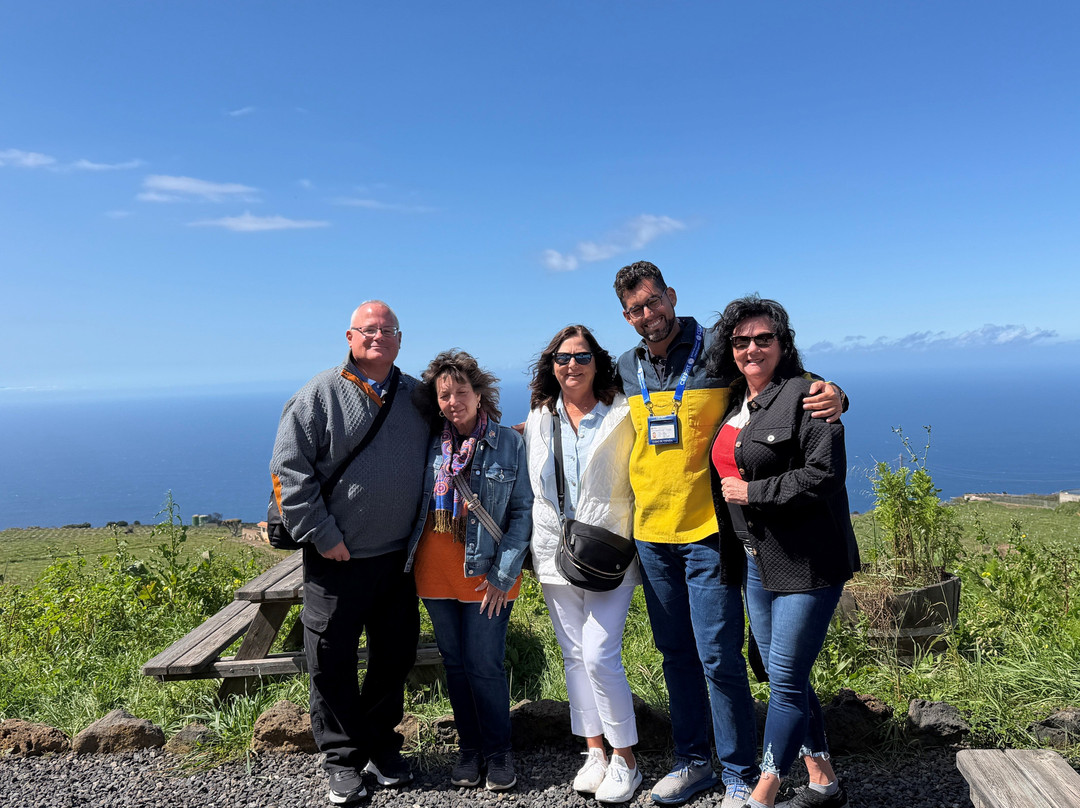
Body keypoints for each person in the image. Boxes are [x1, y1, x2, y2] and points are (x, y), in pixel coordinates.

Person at [612, 261, 846, 808]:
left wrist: (837, 394)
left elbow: (790, 382)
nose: (648, 315)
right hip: (651, 532)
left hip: (710, 533)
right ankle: (693, 762)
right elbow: (573, 390)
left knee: (720, 656)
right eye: (635, 310)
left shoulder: (720, 345)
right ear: (626, 317)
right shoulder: (624, 366)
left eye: (653, 302)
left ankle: (741, 773)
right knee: (675, 654)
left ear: (671, 295)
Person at [270, 301, 429, 806]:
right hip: (335, 559)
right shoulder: (319, 394)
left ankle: (381, 745)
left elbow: (456, 430)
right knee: (331, 660)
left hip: (398, 560)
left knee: (394, 656)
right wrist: (321, 533)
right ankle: (341, 760)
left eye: (388, 330)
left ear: (400, 340)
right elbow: (286, 469)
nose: (379, 336)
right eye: (369, 329)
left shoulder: (416, 396)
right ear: (350, 336)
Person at [707, 296, 859, 808]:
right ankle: (823, 779)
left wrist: (754, 494)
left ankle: (765, 789)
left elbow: (824, 474)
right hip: (756, 559)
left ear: (782, 343)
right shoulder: (734, 400)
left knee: (787, 677)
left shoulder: (808, 394)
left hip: (808, 561)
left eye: (763, 339)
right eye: (741, 341)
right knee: (777, 672)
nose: (752, 348)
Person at [523, 325, 643, 804]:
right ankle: (594, 751)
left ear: (598, 362)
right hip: (554, 549)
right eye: (562, 357)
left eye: (582, 357)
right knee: (574, 655)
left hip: (609, 549)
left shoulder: (623, 413)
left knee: (598, 652)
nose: (571, 365)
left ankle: (627, 758)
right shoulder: (537, 417)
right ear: (550, 365)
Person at [405, 350, 532, 792]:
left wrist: (503, 574)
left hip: (487, 578)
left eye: (462, 391)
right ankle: (469, 749)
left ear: (480, 395)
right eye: (445, 394)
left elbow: (522, 514)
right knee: (456, 666)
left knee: (485, 666)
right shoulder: (427, 444)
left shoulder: (508, 442)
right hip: (434, 576)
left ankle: (499, 753)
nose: (453, 400)